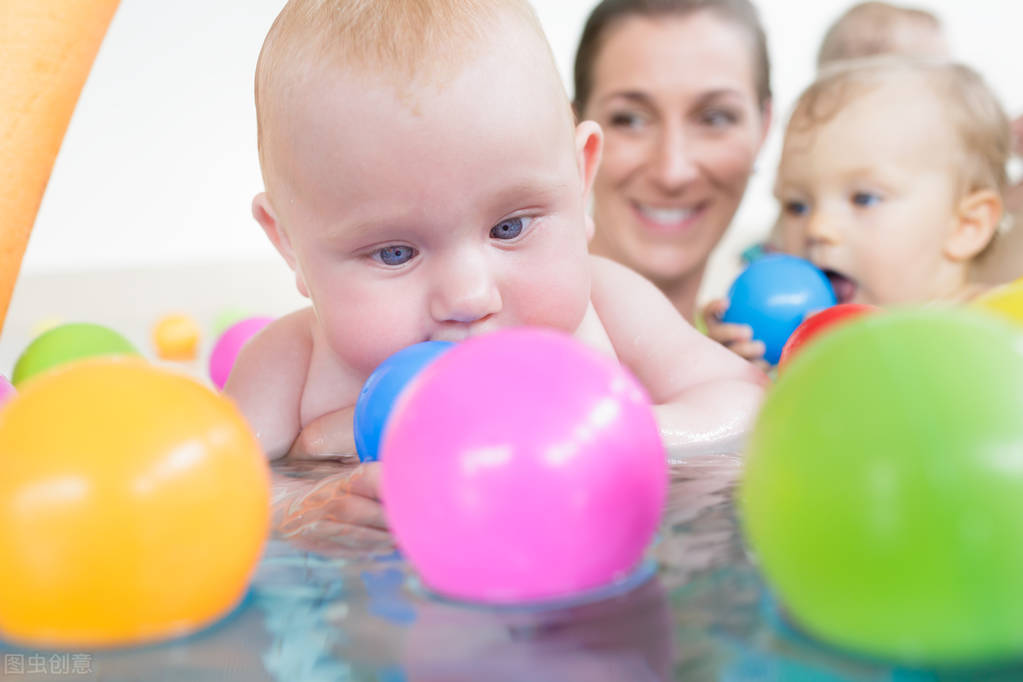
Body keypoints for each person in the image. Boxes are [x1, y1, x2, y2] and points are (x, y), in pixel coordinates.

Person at [226, 0, 768, 528]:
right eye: (395, 252)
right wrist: (309, 504)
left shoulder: (610, 303)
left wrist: (600, 435)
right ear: (290, 243)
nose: (469, 297)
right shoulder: (287, 366)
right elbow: (221, 498)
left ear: (581, 181)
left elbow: (745, 403)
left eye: (509, 228)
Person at [709, 57, 1010, 365]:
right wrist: (740, 372)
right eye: (796, 205)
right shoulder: (798, 341)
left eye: (864, 199)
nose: (817, 227)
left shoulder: (999, 326)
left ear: (966, 226)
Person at [572, 0, 772, 324]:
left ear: (764, 128)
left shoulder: (771, 360)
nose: (672, 173)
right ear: (577, 131)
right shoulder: (494, 351)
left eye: (715, 118)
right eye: (630, 120)